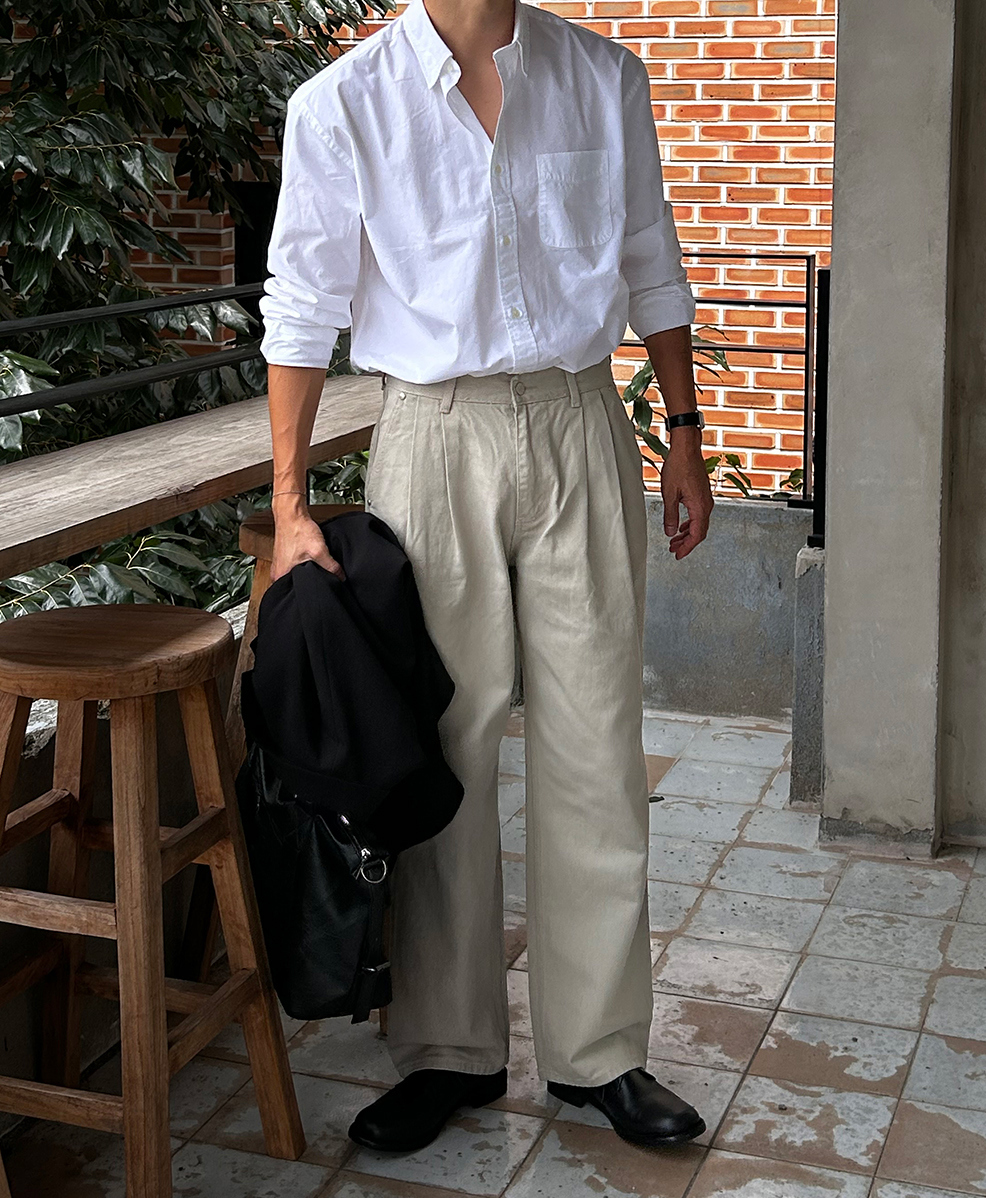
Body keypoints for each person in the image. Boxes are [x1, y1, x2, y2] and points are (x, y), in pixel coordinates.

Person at [258, 0, 714, 1153]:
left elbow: (650, 255)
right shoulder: (342, 104)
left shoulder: (604, 77)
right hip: (431, 433)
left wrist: (684, 434)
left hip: (579, 419)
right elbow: (302, 306)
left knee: (596, 742)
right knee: (440, 749)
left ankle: (599, 1051)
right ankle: (447, 1048)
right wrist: (289, 504)